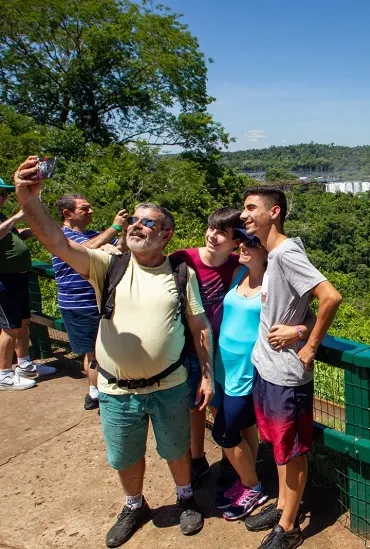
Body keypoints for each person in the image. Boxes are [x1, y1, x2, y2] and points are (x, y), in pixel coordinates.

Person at [14, 156, 213, 548]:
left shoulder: (180, 273)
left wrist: (207, 375)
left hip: (170, 384)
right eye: (134, 220)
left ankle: (186, 497)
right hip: (117, 388)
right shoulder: (108, 265)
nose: (135, 225)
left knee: (176, 449)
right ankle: (134, 505)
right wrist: (28, 198)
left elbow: (199, 326)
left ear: (167, 234)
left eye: (147, 222)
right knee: (124, 455)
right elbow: (55, 241)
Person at [240, 186, 342, 549]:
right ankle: (284, 505)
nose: (244, 214)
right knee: (279, 447)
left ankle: (289, 527)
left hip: (286, 375)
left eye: (251, 208)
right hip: (267, 368)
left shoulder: (286, 253)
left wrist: (309, 345)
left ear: (274, 212)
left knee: (293, 451)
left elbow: (330, 296)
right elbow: (305, 308)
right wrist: (300, 328)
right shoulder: (272, 255)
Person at [211, 228, 312, 522]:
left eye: (251, 243)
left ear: (266, 252)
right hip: (223, 368)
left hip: (249, 372)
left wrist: (299, 331)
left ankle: (252, 486)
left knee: (224, 433)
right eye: (242, 241)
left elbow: (308, 314)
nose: (243, 246)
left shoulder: (274, 282)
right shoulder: (238, 274)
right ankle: (250, 480)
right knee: (244, 429)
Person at [169, 207, 241, 488]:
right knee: (194, 406)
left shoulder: (239, 265)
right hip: (187, 348)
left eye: (222, 233)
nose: (212, 236)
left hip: (221, 353)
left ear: (236, 241)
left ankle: (230, 461)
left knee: (220, 408)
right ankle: (198, 459)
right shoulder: (182, 259)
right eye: (211, 228)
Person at [52, 193, 129, 409]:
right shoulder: (61, 236)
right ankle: (98, 396)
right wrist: (114, 227)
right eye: (84, 208)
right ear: (67, 214)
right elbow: (84, 248)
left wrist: (124, 232)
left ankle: (96, 393)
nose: (90, 211)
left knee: (105, 350)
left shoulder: (94, 234)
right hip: (79, 304)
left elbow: (120, 248)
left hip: (101, 302)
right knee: (94, 353)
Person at [0, 177, 56, 391]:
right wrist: (17, 217)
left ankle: (24, 365)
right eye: (0, 193)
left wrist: (33, 230)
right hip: (4, 279)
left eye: (5, 193)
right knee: (9, 328)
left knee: (23, 323)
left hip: (19, 277)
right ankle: (4, 374)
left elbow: (12, 236)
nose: (4, 197)